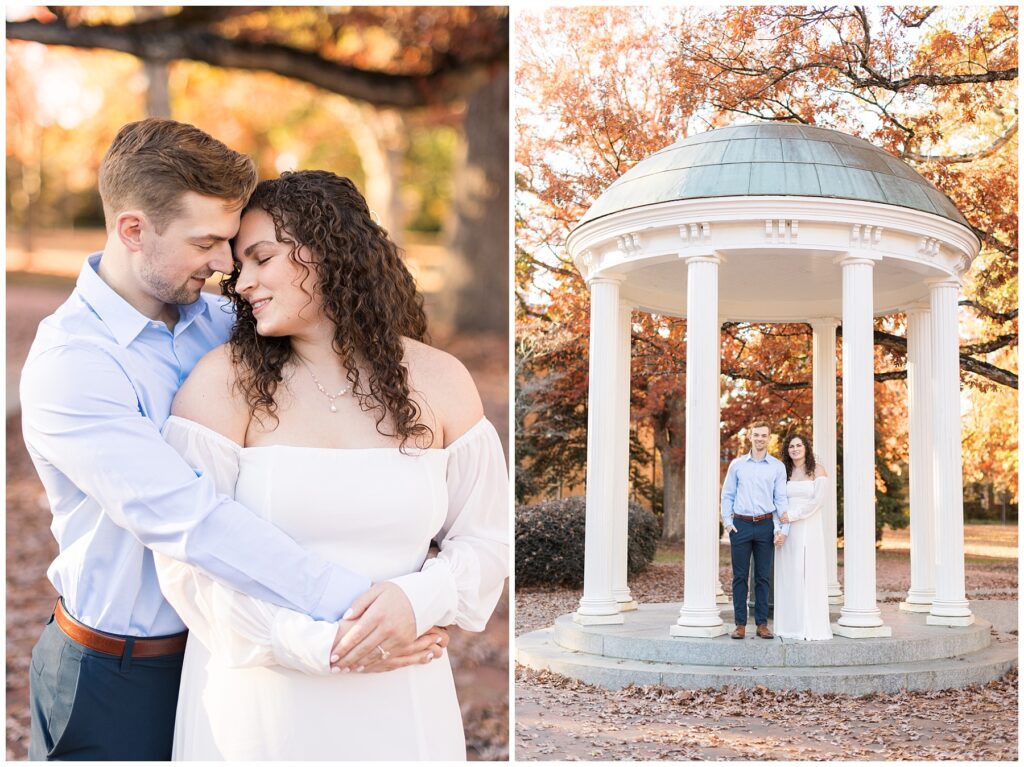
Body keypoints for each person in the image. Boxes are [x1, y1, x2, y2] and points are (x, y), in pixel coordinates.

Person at [20, 119, 449, 761]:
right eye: (208, 242)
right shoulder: (72, 365)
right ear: (133, 230)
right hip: (119, 672)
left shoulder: (227, 326)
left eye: (233, 242)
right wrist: (360, 607)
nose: (226, 265)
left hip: (236, 655)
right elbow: (192, 521)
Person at [151, 169, 508, 760]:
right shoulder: (224, 382)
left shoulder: (442, 381)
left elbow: (489, 539)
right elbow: (186, 564)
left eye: (262, 259)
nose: (244, 283)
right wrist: (322, 645)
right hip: (263, 702)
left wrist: (416, 599)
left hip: (403, 694)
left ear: (327, 250)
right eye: (240, 267)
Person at [721, 422, 789, 639]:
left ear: (769, 438)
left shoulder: (777, 467)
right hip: (740, 525)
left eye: (764, 435)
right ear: (750, 437)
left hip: (764, 525)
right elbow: (727, 495)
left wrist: (782, 529)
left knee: (762, 577)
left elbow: (780, 499)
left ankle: (761, 624)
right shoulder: (737, 465)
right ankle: (740, 624)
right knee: (739, 576)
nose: (760, 438)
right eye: (756, 435)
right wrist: (727, 523)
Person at [773, 434, 833, 640]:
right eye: (791, 446)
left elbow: (818, 501)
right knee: (789, 575)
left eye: (799, 445)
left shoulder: (818, 470)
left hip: (809, 527)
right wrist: (779, 528)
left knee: (808, 573)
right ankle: (789, 626)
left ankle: (809, 626)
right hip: (787, 530)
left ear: (806, 448)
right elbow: (778, 501)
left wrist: (794, 515)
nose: (795, 449)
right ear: (787, 450)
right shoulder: (785, 472)